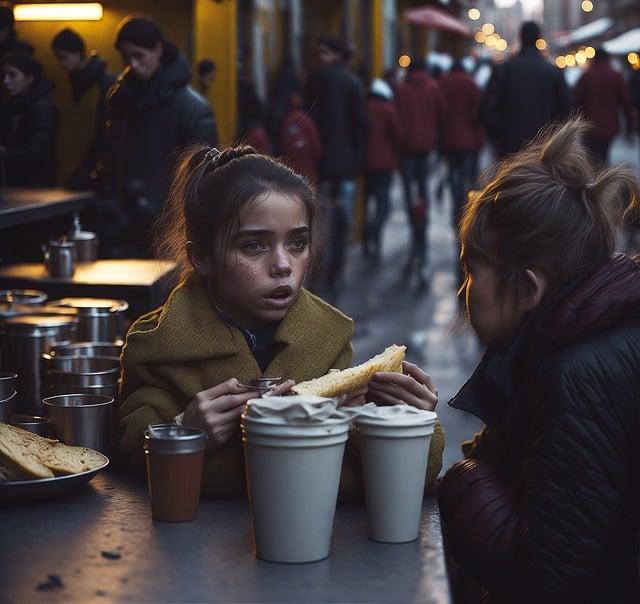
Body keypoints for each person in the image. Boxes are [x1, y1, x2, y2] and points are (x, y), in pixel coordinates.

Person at [117, 145, 444, 500]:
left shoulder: (327, 340)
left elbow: (394, 487)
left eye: (297, 243)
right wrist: (184, 433)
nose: (283, 264)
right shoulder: (160, 346)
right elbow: (128, 450)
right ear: (202, 257)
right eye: (255, 246)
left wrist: (403, 428)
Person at [437, 118, 640, 603]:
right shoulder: (582, 339)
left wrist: (463, 484)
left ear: (529, 288)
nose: (465, 291)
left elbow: (546, 580)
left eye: (472, 270)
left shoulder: (577, 376)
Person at [105, 15, 218, 256]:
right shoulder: (123, 101)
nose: (132, 65)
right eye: (126, 58)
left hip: (167, 228)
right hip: (123, 222)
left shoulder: (191, 106)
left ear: (157, 50)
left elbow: (203, 176)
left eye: (139, 56)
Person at [306, 36, 368, 297]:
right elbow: (362, 126)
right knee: (341, 221)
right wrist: (355, 161)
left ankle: (321, 269)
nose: (320, 56)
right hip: (344, 168)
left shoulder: (317, 81)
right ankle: (335, 270)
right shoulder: (352, 82)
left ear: (334, 54)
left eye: (324, 52)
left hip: (320, 166)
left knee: (318, 220)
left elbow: (310, 122)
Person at [481, 21, 570, 158]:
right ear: (538, 38)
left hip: (509, 148)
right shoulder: (553, 72)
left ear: (521, 38)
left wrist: (499, 138)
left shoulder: (504, 70)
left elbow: (488, 109)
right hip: (543, 149)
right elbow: (566, 110)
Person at [395, 56, 445, 285]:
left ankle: (412, 214)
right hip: (426, 148)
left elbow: (395, 117)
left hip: (405, 148)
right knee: (423, 186)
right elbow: (441, 112)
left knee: (409, 189)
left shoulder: (401, 89)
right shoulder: (433, 87)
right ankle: (422, 216)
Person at [439, 60, 484, 291]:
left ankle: (457, 203)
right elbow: (479, 109)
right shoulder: (470, 83)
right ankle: (465, 208)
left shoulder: (444, 83)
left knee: (454, 175)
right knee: (467, 177)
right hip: (468, 140)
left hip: (449, 140)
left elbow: (439, 110)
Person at [51, 28, 114, 190]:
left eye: (64, 57)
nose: (60, 64)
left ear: (78, 53)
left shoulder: (100, 85)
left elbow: (100, 132)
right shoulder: (78, 84)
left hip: (91, 171)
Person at [0, 52, 57, 187]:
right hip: (17, 182)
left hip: (35, 185)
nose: (6, 81)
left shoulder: (42, 108)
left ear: (30, 78)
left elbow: (36, 152)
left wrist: (4, 153)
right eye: (4, 75)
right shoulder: (12, 106)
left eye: (12, 75)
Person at [362, 78, 402, 263]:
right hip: (384, 164)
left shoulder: (363, 108)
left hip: (365, 163)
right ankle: (374, 234)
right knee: (383, 206)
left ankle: (365, 237)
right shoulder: (387, 110)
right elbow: (398, 134)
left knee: (367, 202)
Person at [573, 48, 634, 165]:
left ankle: (594, 178)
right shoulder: (616, 76)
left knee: (591, 157)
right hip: (609, 125)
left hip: (589, 125)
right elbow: (626, 102)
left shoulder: (586, 76)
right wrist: (630, 124)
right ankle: (603, 177)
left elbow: (576, 99)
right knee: (604, 154)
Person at [280, 92, 322, 184]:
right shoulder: (306, 119)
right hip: (307, 159)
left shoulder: (287, 120)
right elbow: (315, 140)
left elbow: (285, 141)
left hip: (292, 160)